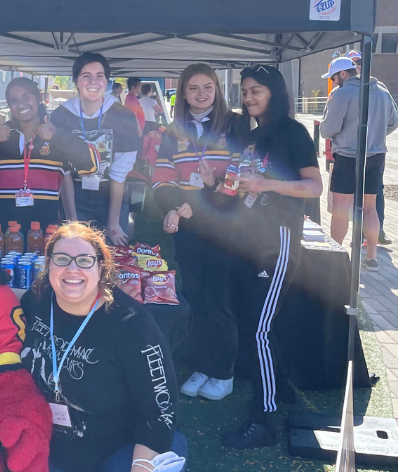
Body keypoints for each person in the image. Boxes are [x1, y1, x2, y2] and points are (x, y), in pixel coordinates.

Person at [20, 222, 186, 472]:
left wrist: (140, 466)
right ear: (49, 264)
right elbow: (1, 298)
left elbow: (158, 413)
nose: (72, 269)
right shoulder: (39, 300)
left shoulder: (132, 324)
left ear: (101, 266)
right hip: (53, 443)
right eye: (62, 259)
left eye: (84, 260)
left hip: (123, 448)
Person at [221, 65, 322, 449]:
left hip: (277, 241)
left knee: (259, 329)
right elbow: (245, 182)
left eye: (255, 91)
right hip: (248, 240)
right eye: (244, 91)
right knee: (253, 322)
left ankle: (263, 420)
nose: (248, 97)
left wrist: (267, 185)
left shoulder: (292, 132)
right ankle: (282, 390)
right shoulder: (252, 134)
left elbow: (314, 186)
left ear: (274, 92)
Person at [152, 63, 247, 403]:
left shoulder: (236, 125)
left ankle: (223, 372)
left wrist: (215, 186)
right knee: (196, 298)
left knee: (219, 300)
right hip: (188, 226)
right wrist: (175, 206)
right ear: (183, 92)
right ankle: (203, 366)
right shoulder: (171, 132)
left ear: (217, 90)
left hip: (224, 226)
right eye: (194, 88)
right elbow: (161, 178)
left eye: (208, 87)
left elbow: (244, 172)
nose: (202, 93)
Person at [0, 77, 96, 230]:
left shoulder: (56, 136)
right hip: (0, 234)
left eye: (26, 97)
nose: (20, 105)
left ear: (39, 99)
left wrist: (57, 136)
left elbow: (91, 166)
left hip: (45, 233)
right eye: (14, 101)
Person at [51, 53, 141, 246]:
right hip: (75, 195)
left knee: (112, 257)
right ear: (76, 81)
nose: (93, 81)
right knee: (76, 252)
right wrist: (72, 219)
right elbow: (63, 172)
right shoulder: (61, 116)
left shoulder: (123, 116)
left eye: (100, 75)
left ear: (107, 81)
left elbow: (119, 173)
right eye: (86, 75)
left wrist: (113, 222)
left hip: (111, 195)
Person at [319, 56, 398, 271]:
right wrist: (376, 135)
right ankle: (371, 256)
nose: (334, 82)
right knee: (370, 208)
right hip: (376, 156)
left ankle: (337, 255)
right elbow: (393, 121)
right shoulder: (381, 90)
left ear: (343, 74)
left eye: (334, 78)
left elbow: (328, 129)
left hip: (347, 156)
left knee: (341, 208)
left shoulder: (341, 93)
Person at [347, 50, 393, 245]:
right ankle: (361, 235)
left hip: (368, 151)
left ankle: (375, 232)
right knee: (358, 195)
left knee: (374, 194)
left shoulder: (380, 89)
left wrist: (377, 135)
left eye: (359, 62)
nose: (357, 65)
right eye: (353, 63)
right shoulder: (378, 89)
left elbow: (392, 121)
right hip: (361, 151)